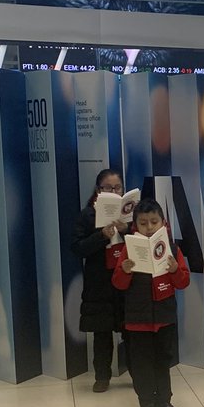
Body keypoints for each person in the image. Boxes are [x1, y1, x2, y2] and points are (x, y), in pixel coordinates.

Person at [112, 198, 190, 407]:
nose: (148, 228)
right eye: (143, 223)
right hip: (138, 319)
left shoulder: (172, 248)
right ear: (135, 224)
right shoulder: (129, 248)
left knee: (163, 360)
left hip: (164, 317)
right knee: (142, 362)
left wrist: (175, 269)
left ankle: (164, 400)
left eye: (153, 222)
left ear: (163, 223)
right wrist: (125, 270)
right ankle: (146, 401)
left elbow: (183, 282)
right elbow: (118, 284)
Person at [71, 168, 129, 393]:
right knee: (102, 333)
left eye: (118, 188)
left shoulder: (130, 214)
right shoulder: (87, 215)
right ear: (98, 190)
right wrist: (101, 236)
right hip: (99, 282)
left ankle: (137, 372)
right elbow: (77, 248)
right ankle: (102, 376)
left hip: (126, 278)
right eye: (108, 188)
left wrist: (128, 229)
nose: (114, 191)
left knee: (131, 331)